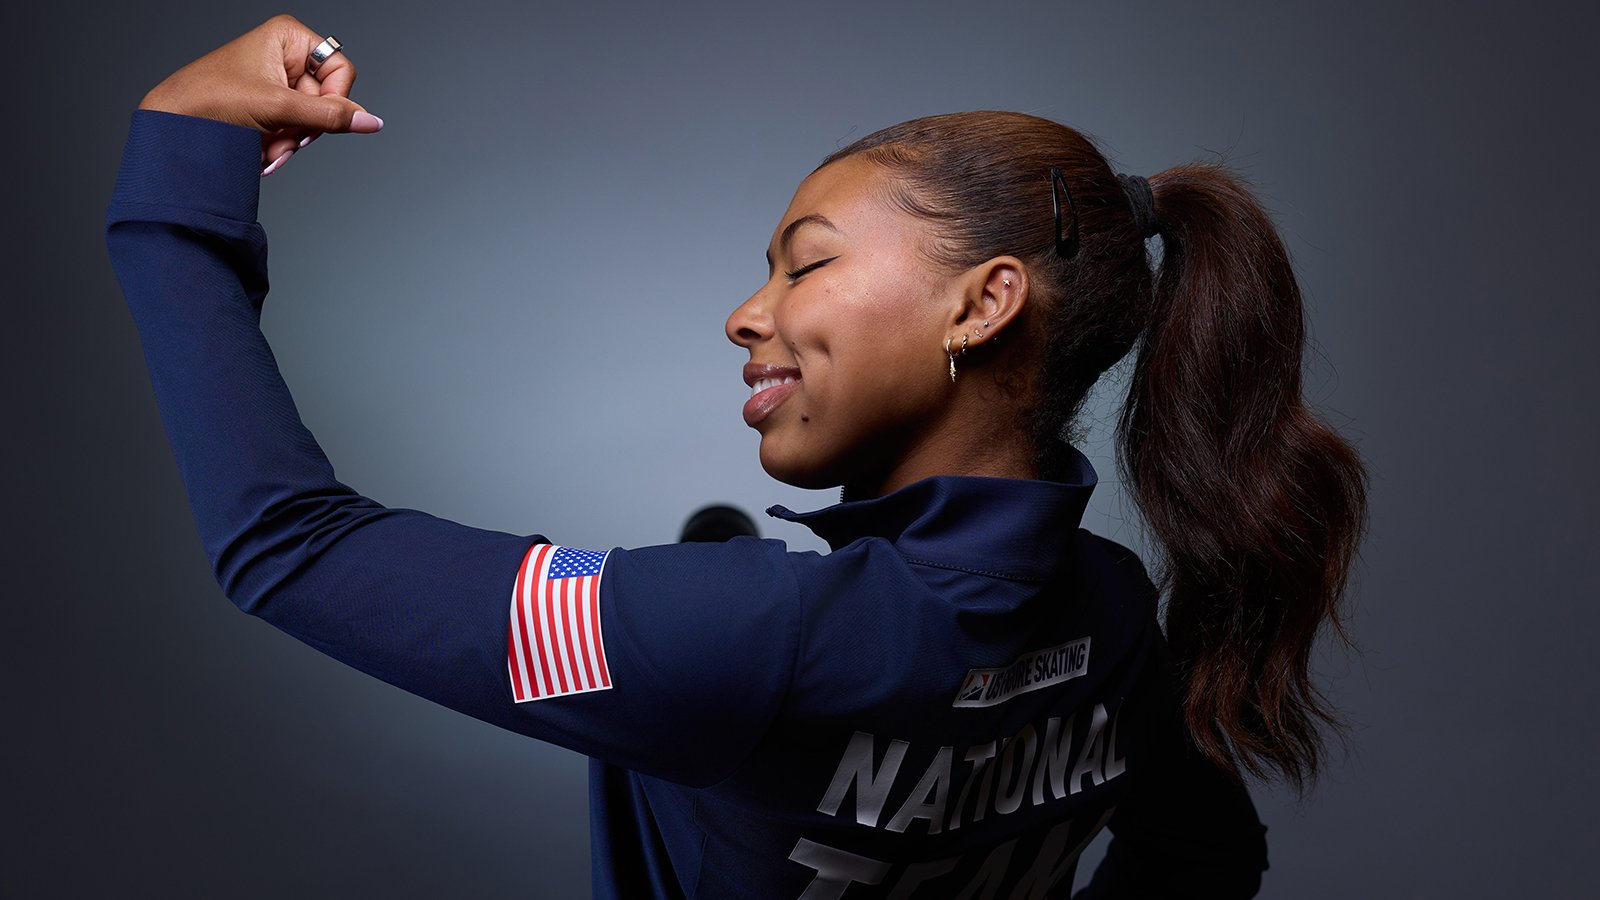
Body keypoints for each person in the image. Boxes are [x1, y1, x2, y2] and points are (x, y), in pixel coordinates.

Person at [105, 14, 1369, 899]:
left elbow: (287, 546)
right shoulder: (1112, 615)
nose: (744, 313)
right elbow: (1205, 860)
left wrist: (181, 155)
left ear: (983, 306)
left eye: (805, 261)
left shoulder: (754, 634)